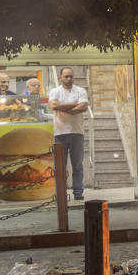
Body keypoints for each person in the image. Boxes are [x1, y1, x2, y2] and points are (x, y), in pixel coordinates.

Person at [47, 67, 88, 201]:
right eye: (66, 76)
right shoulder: (55, 91)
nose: (69, 79)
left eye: (71, 76)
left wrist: (63, 107)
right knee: (60, 166)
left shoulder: (81, 90)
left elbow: (83, 107)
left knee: (77, 165)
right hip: (60, 133)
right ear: (60, 77)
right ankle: (61, 193)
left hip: (77, 132)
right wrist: (73, 104)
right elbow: (53, 106)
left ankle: (78, 192)